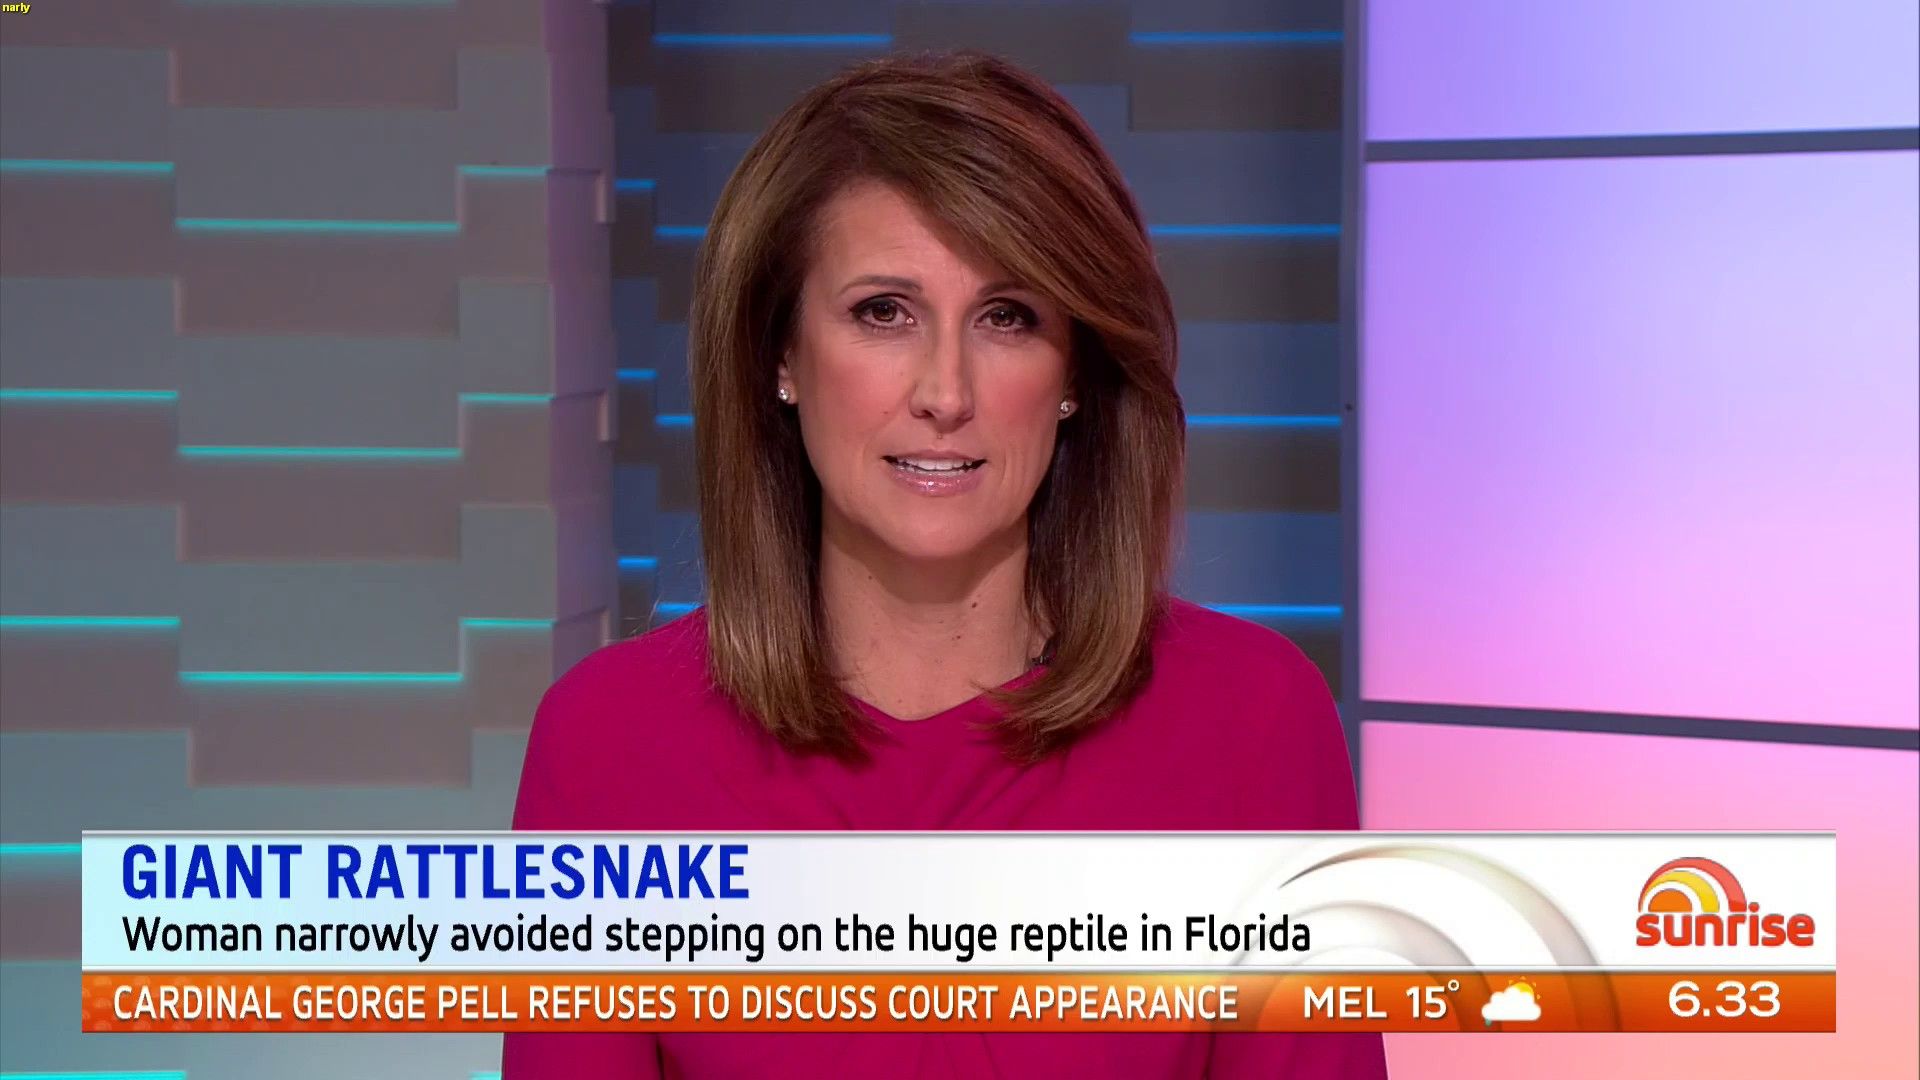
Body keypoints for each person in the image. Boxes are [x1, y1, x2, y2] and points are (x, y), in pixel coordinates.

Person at [505, 49, 1388, 1078]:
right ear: (780, 356)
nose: (946, 393)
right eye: (884, 312)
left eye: (1008, 317)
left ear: (1074, 370)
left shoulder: (1253, 721)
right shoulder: (608, 746)